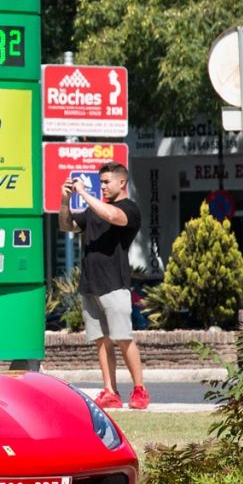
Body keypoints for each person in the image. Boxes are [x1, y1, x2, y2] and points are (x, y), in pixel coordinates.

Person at [58, 161, 148, 409]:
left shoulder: (129, 209)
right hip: (90, 285)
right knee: (101, 341)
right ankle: (111, 391)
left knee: (122, 338)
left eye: (107, 182)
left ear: (122, 182)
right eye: (101, 183)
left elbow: (111, 216)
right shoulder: (93, 212)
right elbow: (66, 225)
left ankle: (139, 390)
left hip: (114, 285)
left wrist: (84, 193)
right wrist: (65, 200)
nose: (104, 187)